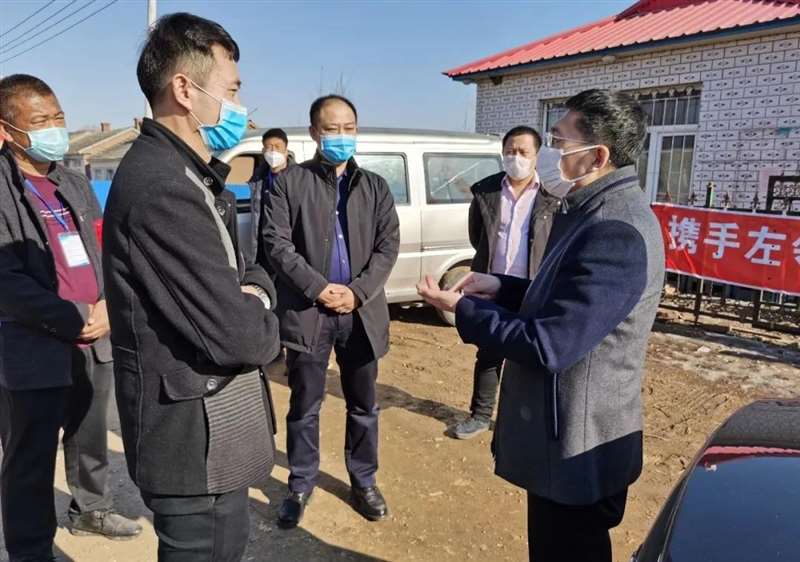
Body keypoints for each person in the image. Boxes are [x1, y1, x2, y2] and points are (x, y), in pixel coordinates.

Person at [418, 89, 665, 562]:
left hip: (577, 442)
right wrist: (502, 286)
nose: (549, 153)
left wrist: (463, 309)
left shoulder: (616, 227)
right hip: (565, 437)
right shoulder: (590, 208)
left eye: (559, 141)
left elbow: (551, 343)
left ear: (597, 156)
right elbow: (568, 296)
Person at [102, 13, 281, 561]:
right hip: (191, 442)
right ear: (185, 89)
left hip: (212, 431)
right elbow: (241, 337)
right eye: (232, 90)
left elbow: (247, 274)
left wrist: (252, 292)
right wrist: (258, 303)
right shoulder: (162, 185)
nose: (240, 107)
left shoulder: (188, 174)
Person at [0, 74, 141, 562]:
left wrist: (106, 305)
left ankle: (90, 510)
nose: (54, 128)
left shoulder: (74, 182)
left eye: (58, 117)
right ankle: (31, 549)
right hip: (31, 345)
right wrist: (71, 314)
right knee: (29, 455)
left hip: (94, 333)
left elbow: (104, 249)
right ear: (8, 130)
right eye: (40, 121)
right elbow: (5, 280)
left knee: (89, 433)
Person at [263, 94, 400, 528]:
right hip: (310, 313)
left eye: (349, 128)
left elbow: (387, 246)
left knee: (363, 404)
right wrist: (319, 288)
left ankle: (364, 480)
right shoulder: (288, 184)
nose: (342, 136)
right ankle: (300, 483)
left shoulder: (375, 186)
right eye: (332, 129)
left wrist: (357, 293)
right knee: (305, 404)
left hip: (360, 314)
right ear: (314, 133)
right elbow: (276, 244)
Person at [453, 125, 552, 440]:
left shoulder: (552, 196)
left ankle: (527, 421)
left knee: (533, 357)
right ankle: (480, 416)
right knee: (488, 354)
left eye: (523, 152)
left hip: (533, 288)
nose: (516, 157)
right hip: (492, 287)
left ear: (536, 155)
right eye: (510, 151)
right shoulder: (486, 191)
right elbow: (477, 235)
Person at [245, 127, 294, 266]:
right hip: (263, 246)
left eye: (278, 147)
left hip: (288, 247)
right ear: (263, 151)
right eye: (269, 147)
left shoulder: (297, 178)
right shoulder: (258, 178)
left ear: (286, 151)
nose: (273, 152)